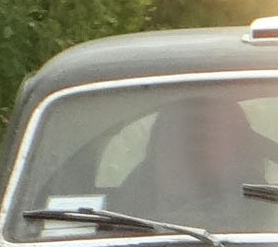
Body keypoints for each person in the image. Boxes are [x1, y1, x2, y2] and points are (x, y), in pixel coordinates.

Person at [109, 95, 268, 224]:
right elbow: (117, 236)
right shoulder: (140, 184)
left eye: (208, 134)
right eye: (184, 133)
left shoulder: (252, 189)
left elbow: (267, 239)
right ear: (159, 141)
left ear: (238, 144)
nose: (197, 144)